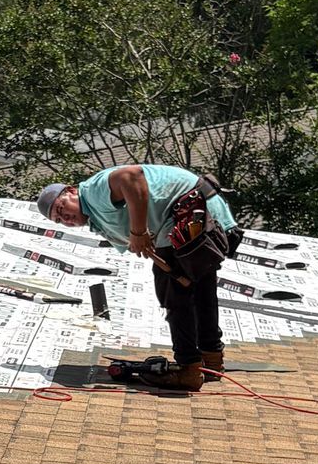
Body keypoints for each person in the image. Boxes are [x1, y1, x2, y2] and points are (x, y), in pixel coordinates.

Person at [38, 163, 238, 393]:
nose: (65, 217)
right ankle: (211, 360)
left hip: (192, 213)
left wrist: (138, 232)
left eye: (62, 207)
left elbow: (130, 176)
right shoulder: (94, 214)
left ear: (72, 191)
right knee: (201, 292)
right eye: (59, 219)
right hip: (205, 217)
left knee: (174, 297)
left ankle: (189, 369)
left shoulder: (92, 192)